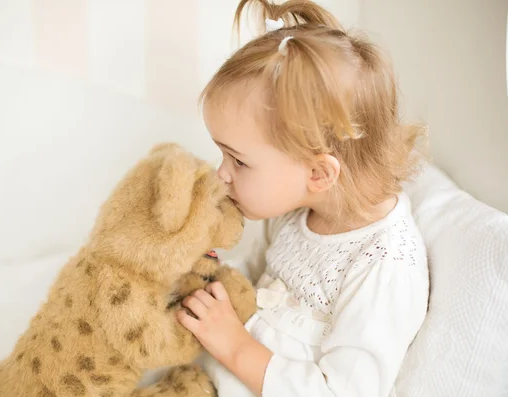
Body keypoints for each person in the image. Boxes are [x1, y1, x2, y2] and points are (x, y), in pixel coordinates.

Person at [175, 1, 430, 396]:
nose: (220, 173)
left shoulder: (384, 265)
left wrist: (235, 345)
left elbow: (342, 391)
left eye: (239, 161)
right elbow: (256, 275)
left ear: (318, 173)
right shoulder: (299, 212)